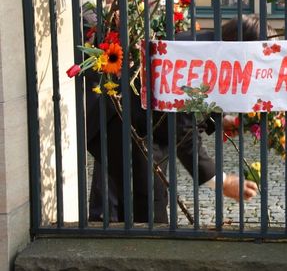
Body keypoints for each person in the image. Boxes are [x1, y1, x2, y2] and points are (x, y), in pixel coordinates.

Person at [87, 15, 273, 223]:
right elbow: (184, 132)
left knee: (147, 203)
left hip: (145, 127)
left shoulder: (210, 46)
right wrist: (221, 182)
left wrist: (223, 121)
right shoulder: (197, 56)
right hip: (124, 127)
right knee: (150, 208)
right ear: (239, 46)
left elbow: (197, 104)